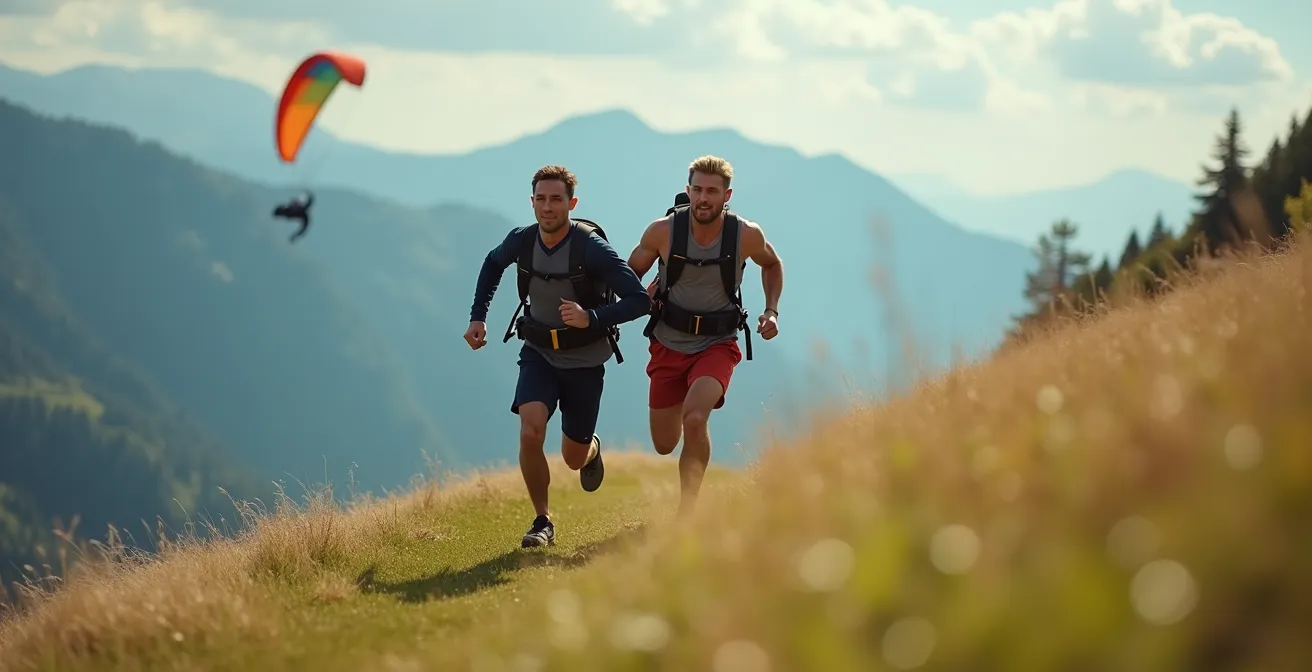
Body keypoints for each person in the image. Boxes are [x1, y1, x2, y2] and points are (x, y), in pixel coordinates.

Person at [465, 165, 651, 548]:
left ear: (571, 203)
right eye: (541, 199)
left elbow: (639, 300)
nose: (547, 207)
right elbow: (492, 263)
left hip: (585, 361)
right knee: (530, 430)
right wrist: (478, 316)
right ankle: (542, 522)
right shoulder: (521, 241)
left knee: (573, 457)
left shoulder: (591, 248)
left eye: (556, 199)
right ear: (531, 202)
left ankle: (591, 450)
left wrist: (590, 318)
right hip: (539, 353)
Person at [627, 155, 784, 518]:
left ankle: (688, 512)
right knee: (664, 443)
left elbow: (772, 263)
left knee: (695, 419)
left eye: (712, 191)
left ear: (726, 196)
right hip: (667, 343)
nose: (703, 198)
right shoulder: (662, 232)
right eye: (697, 189)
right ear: (688, 190)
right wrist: (636, 297)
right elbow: (628, 273)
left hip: (718, 344)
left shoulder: (746, 234)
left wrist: (771, 310)